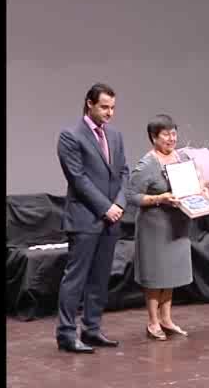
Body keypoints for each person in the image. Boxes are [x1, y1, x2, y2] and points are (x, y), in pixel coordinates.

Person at [56, 83, 129, 353]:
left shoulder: (116, 136)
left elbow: (124, 172)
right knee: (76, 278)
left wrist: (119, 203)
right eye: (104, 107)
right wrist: (105, 207)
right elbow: (78, 178)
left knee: (100, 278)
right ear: (90, 103)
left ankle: (92, 329)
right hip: (86, 217)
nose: (109, 113)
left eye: (112, 108)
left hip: (111, 218)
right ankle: (66, 333)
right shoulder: (71, 135)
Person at [126, 114, 193, 340]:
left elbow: (189, 185)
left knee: (170, 273)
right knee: (156, 275)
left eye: (174, 133)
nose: (171, 138)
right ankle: (153, 322)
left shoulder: (181, 158)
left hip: (177, 224)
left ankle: (167, 319)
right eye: (166, 134)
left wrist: (202, 188)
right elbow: (132, 196)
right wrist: (159, 199)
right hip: (154, 226)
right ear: (154, 137)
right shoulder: (147, 163)